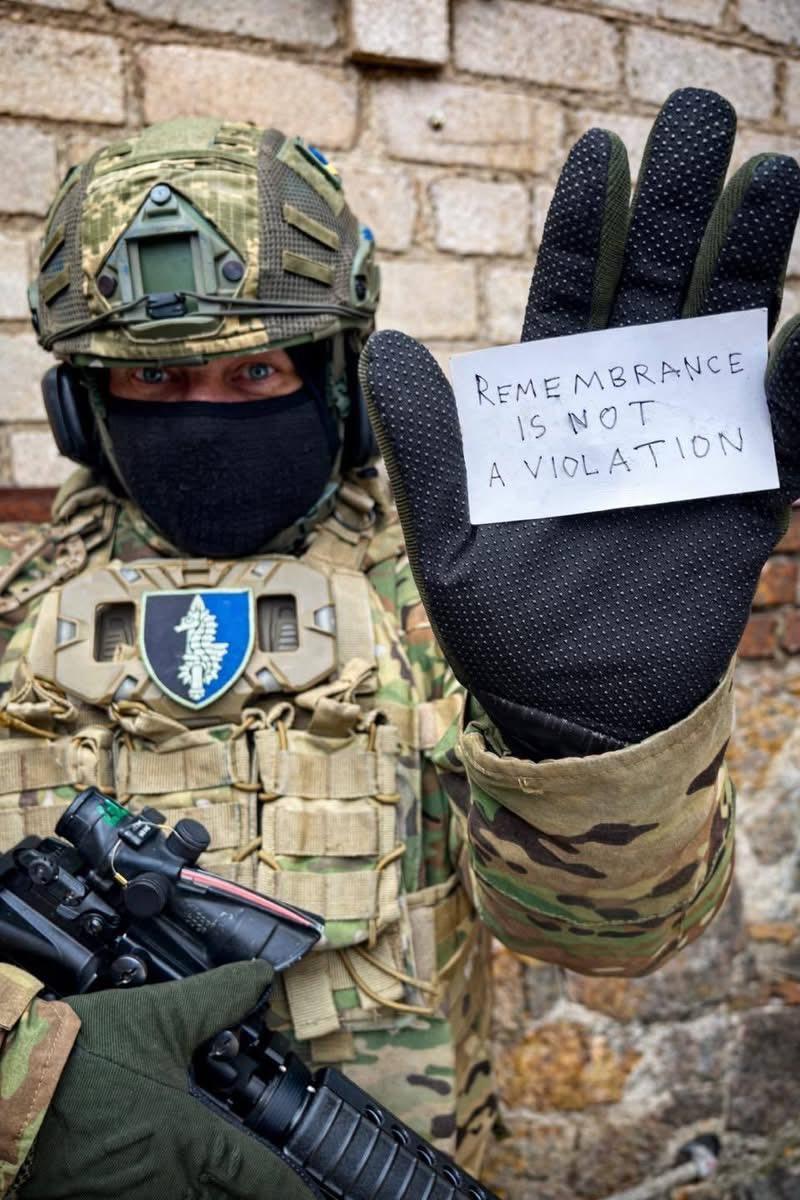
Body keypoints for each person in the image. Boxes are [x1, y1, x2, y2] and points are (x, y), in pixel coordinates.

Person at [2, 87, 800, 1197]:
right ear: (81, 406)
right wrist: (27, 1080)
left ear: (337, 380)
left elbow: (615, 941)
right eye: (152, 378)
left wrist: (595, 741)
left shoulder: (447, 591)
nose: (202, 413)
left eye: (256, 372)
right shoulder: (15, 605)